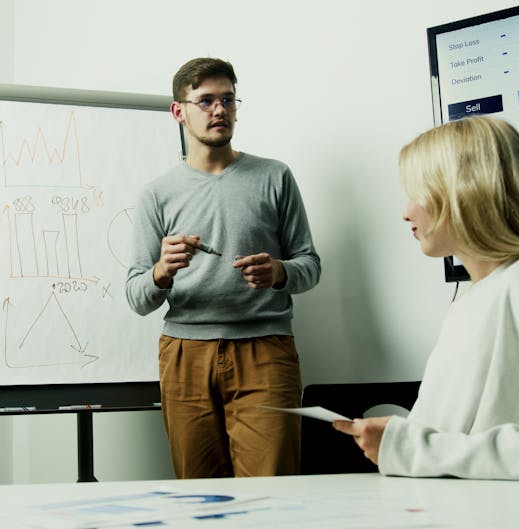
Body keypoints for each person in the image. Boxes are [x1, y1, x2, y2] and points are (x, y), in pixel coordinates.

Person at [333, 116, 519, 480]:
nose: (406, 212)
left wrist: (411, 448)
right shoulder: (468, 302)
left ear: (464, 193)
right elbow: (437, 442)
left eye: (417, 194)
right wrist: (395, 441)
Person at [125, 58, 321, 478]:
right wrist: (161, 272)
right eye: (206, 100)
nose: (220, 110)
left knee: (272, 490)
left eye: (228, 100)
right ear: (178, 111)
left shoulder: (274, 176)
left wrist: (279, 272)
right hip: (185, 355)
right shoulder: (157, 194)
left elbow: (310, 265)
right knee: (199, 496)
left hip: (265, 350)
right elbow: (137, 297)